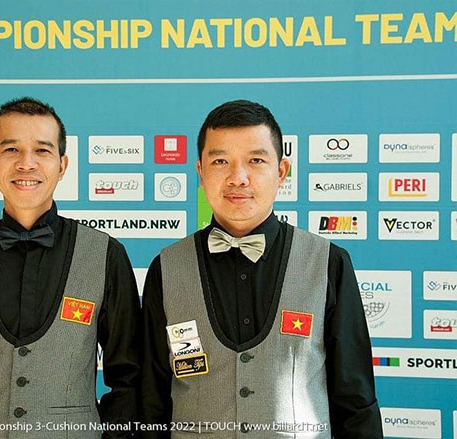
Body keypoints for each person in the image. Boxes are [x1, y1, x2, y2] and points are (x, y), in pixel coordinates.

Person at [140, 100, 383, 438]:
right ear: (200, 172)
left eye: (255, 160)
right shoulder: (167, 268)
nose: (237, 178)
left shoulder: (328, 263)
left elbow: (355, 401)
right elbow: (150, 400)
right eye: (220, 161)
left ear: (281, 171)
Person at [0, 97, 141, 439]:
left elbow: (130, 377)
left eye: (42, 150)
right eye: (11, 150)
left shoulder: (105, 255)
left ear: (62, 165)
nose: (26, 164)